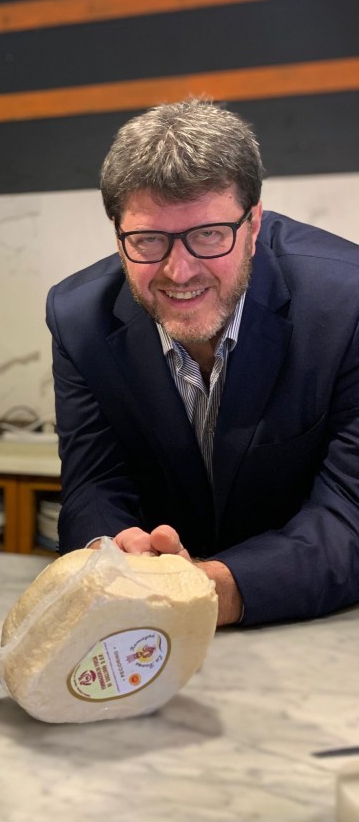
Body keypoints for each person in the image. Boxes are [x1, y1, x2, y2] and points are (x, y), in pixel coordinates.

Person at [46, 99, 359, 627]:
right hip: (143, 624)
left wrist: (214, 588)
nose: (180, 271)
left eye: (209, 234)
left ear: (253, 224)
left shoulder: (346, 303)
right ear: (118, 237)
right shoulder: (79, 319)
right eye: (148, 239)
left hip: (312, 621)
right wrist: (113, 555)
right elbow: (94, 484)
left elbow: (350, 510)